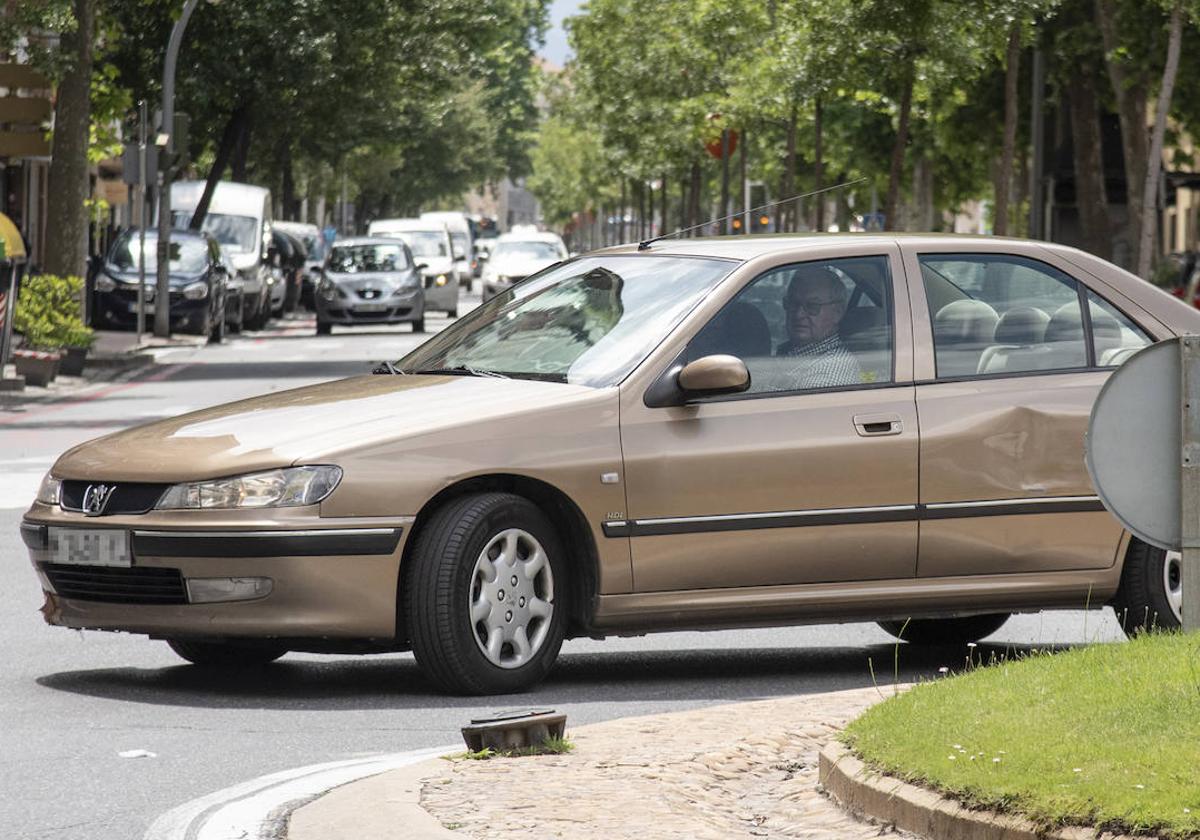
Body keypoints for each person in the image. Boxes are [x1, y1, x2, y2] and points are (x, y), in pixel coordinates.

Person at [774, 264, 861, 389]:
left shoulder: (828, 374)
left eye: (812, 306)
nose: (799, 314)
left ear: (837, 312)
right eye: (793, 303)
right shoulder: (793, 353)